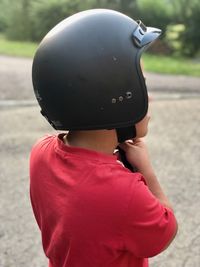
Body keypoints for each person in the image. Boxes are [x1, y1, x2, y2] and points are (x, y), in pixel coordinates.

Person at [30, 9, 178, 267]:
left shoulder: (40, 153)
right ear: (113, 99)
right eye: (141, 84)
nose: (149, 97)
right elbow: (165, 232)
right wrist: (147, 171)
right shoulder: (125, 193)